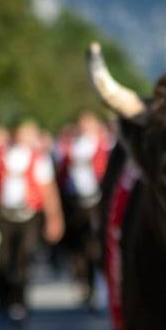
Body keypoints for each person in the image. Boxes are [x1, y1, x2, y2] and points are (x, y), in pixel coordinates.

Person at [0, 120, 64, 326]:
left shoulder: (39, 159)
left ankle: (19, 302)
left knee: (24, 257)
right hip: (2, 216)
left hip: (28, 216)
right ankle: (2, 299)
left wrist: (54, 218)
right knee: (2, 259)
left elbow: (48, 191)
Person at [54, 110, 112, 312]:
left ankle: (101, 285)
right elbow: (61, 173)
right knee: (79, 246)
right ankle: (85, 283)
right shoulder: (70, 146)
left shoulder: (105, 145)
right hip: (75, 202)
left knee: (96, 245)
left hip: (97, 201)